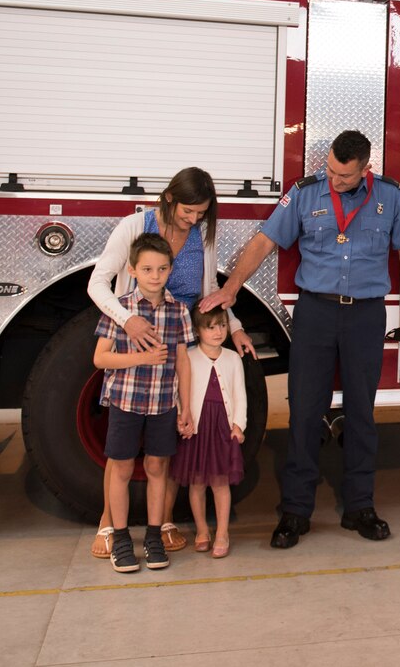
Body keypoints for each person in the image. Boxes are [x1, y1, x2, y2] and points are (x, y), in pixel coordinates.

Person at [200, 130, 400, 549]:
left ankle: (360, 505)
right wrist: (230, 288)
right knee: (304, 412)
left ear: (364, 170)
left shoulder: (390, 197)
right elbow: (266, 240)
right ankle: (295, 511)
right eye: (331, 171)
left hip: (365, 314)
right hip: (316, 313)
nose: (334, 179)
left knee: (361, 412)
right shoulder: (305, 193)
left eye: (344, 176)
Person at [87, 167, 255, 559]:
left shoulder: (202, 235)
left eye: (201, 213)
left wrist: (236, 328)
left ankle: (160, 524)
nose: (194, 219)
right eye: (188, 211)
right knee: (123, 446)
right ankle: (108, 522)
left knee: (173, 437)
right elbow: (97, 283)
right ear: (169, 198)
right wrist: (126, 319)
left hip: (181, 340)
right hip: (136, 338)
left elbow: (210, 290)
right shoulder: (134, 227)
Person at [93, 233, 194, 572]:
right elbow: (101, 359)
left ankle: (153, 536)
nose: (155, 275)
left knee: (157, 469)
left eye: (162, 268)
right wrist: (141, 359)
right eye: (148, 269)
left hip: (163, 404)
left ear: (170, 270)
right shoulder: (120, 310)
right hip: (126, 402)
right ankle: (120, 538)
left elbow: (182, 361)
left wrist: (186, 407)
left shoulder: (178, 311)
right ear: (133, 270)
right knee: (121, 469)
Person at [170, 302, 247, 559]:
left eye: (222, 326)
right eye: (210, 327)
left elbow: (239, 393)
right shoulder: (189, 357)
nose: (218, 332)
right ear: (197, 331)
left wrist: (239, 424)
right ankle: (202, 530)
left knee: (220, 482)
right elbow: (181, 393)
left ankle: (222, 532)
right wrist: (183, 418)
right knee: (197, 483)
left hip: (222, 428)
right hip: (198, 428)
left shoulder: (233, 359)